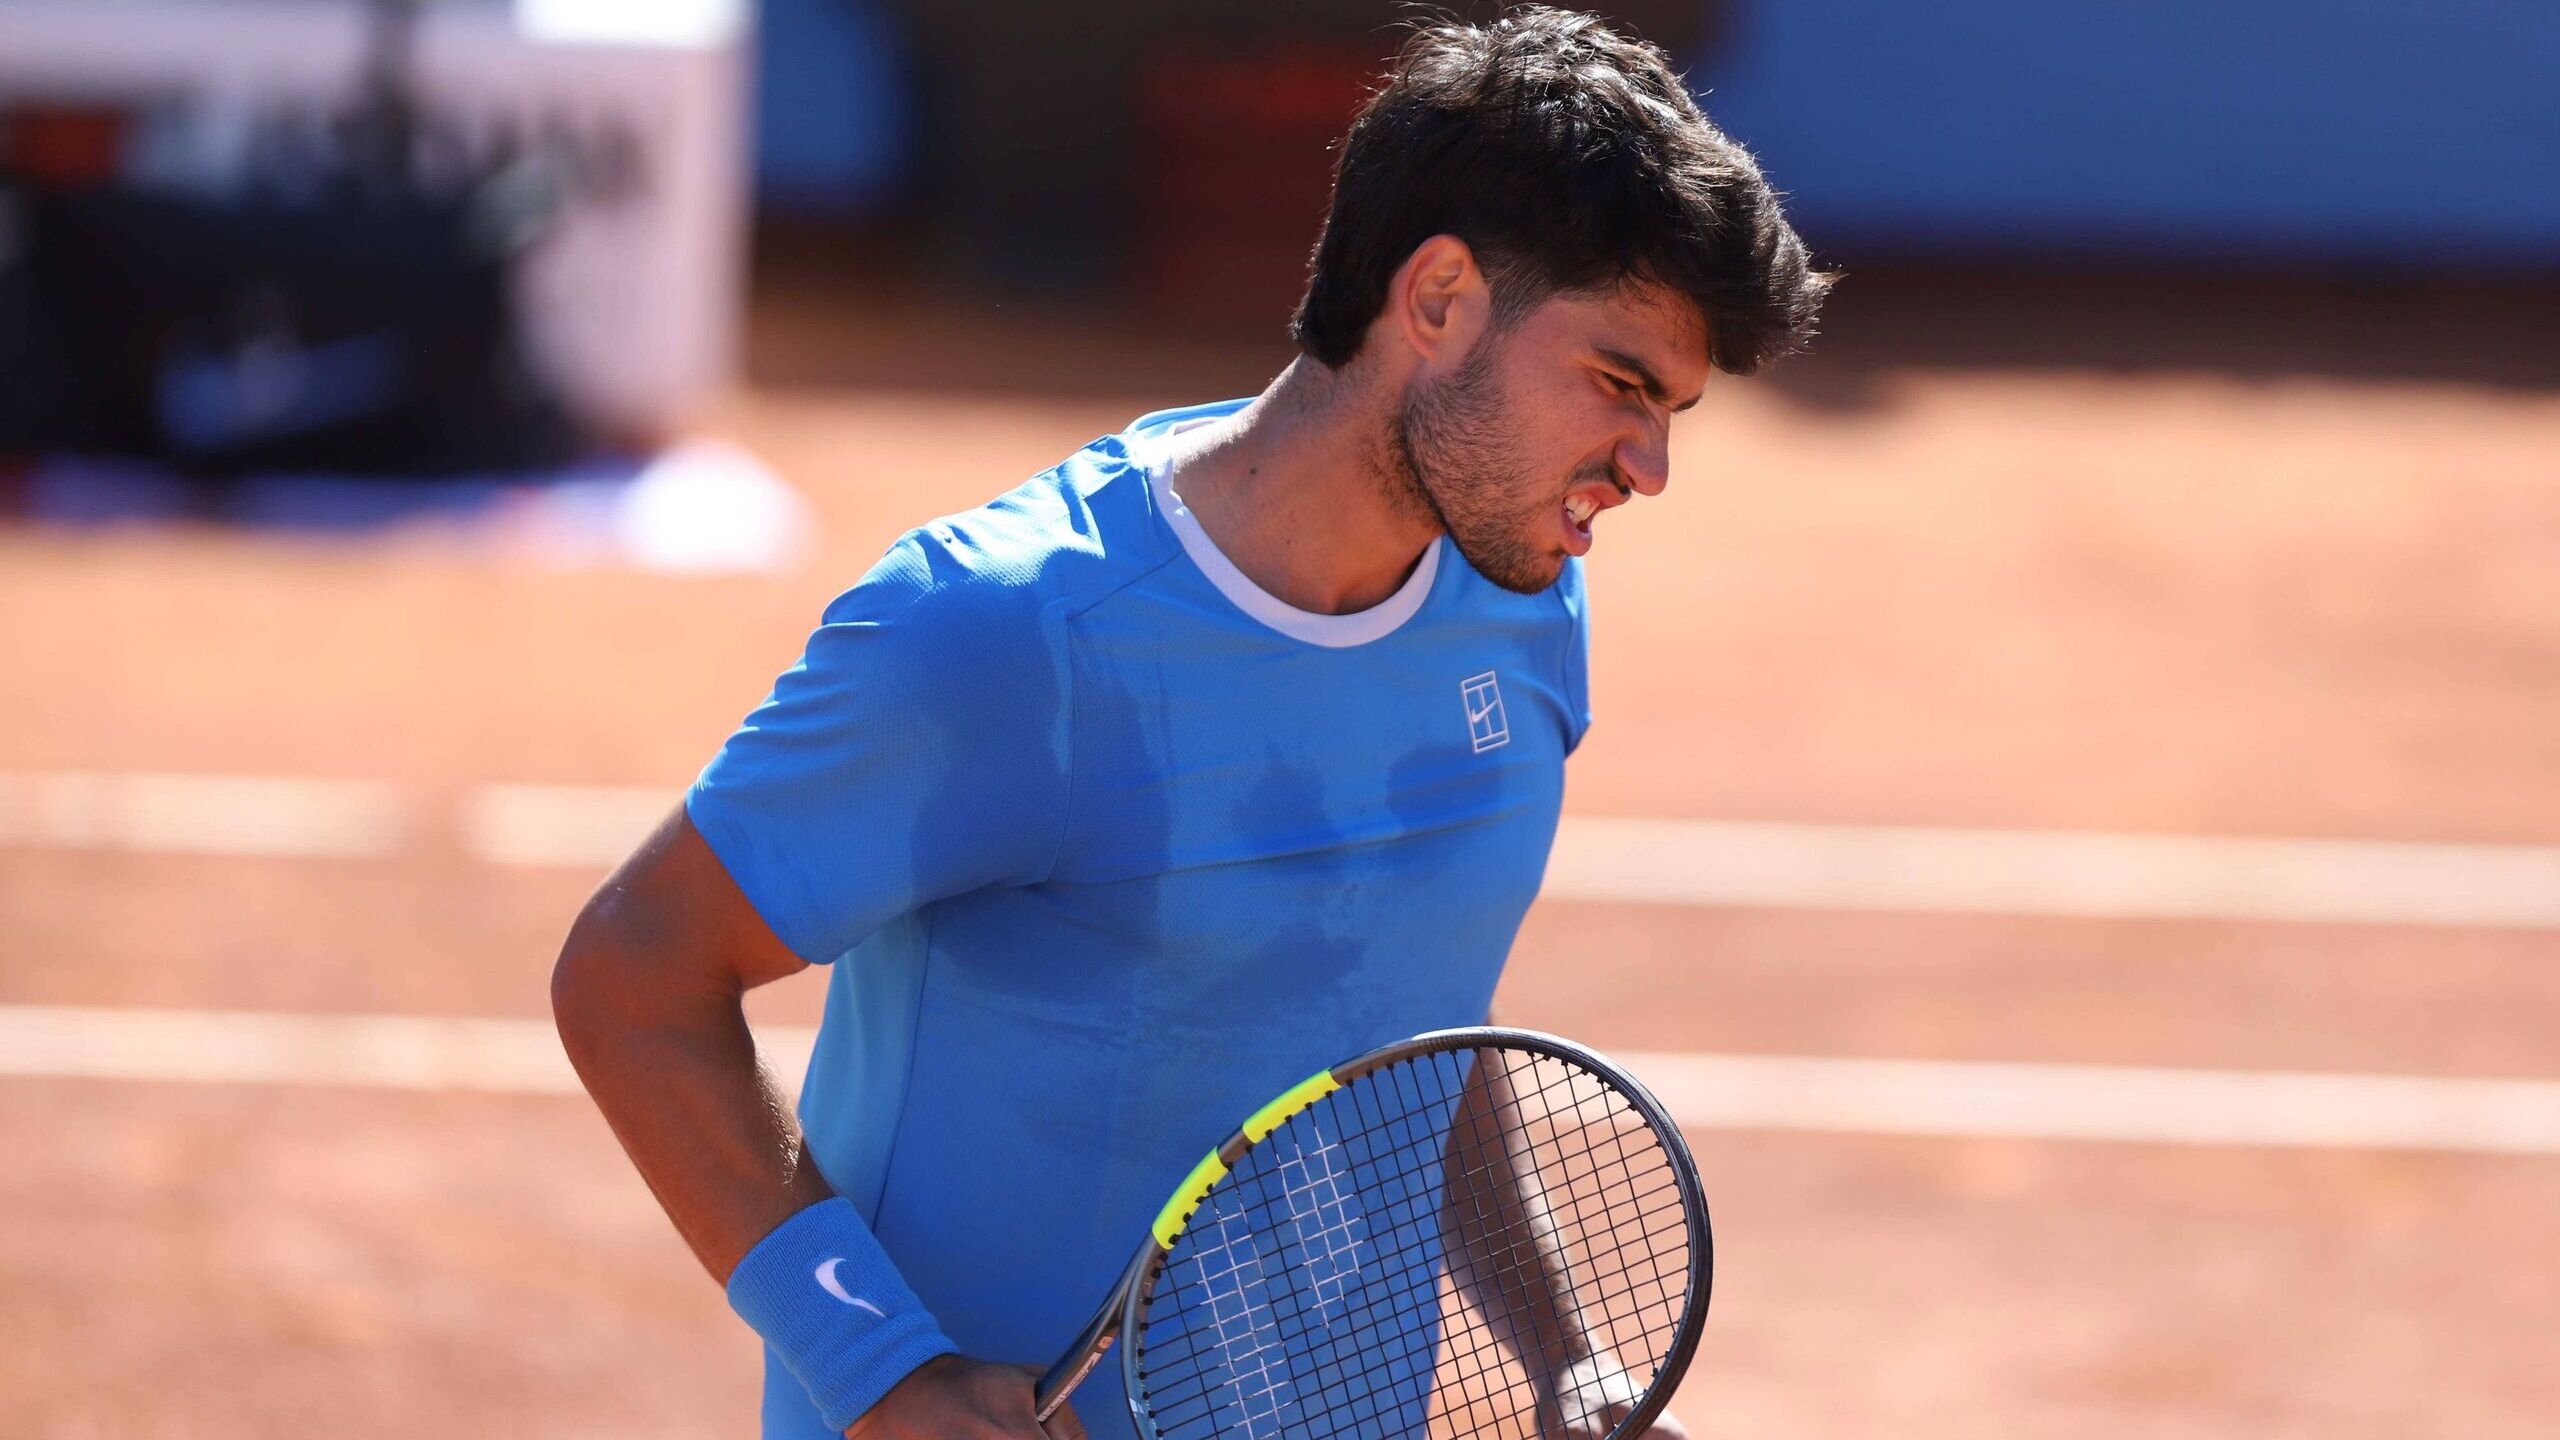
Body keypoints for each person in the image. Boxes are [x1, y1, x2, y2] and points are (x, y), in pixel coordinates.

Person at [551, 8, 1829, 1438]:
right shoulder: (1002, 636)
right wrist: (880, 1374)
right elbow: (631, 978)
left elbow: (1416, 1034)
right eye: (1619, 385)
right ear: (1440, 298)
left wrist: (1557, 1348)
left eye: (1675, 411)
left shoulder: (1522, 608)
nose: (1650, 466)